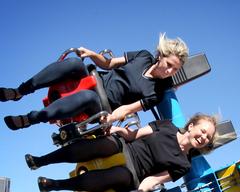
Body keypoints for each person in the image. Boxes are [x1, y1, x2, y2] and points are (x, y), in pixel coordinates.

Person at [1, 34, 188, 131]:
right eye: (169, 64)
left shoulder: (158, 91)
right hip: (97, 79)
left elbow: (128, 109)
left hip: (102, 104)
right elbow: (109, 64)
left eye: (175, 69)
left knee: (89, 97)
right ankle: (19, 91)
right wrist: (90, 53)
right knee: (75, 63)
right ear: (160, 55)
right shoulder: (143, 56)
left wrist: (112, 118)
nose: (170, 71)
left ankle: (30, 119)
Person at [28, 113, 217, 192]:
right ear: (191, 126)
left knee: (117, 175)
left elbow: (154, 180)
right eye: (202, 131)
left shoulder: (184, 164)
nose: (203, 137)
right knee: (105, 144)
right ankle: (41, 160)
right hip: (128, 147)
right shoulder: (166, 126)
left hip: (135, 172)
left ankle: (56, 185)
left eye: (207, 137)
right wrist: (118, 130)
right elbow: (135, 135)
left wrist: (140, 191)